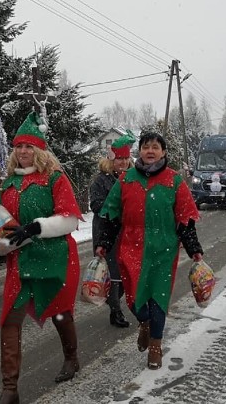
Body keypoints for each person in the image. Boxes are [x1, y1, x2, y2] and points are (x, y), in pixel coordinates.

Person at [95, 131, 203, 370]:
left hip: (164, 248)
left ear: (163, 152)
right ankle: (144, 322)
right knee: (134, 299)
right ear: (140, 151)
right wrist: (103, 243)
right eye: (146, 147)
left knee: (158, 298)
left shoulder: (174, 180)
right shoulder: (126, 180)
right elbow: (111, 216)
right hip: (131, 246)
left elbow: (185, 220)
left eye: (155, 147)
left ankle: (155, 344)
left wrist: (193, 248)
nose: (150, 151)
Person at [0, 113, 84, 403]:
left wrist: (36, 227)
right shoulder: (7, 184)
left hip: (54, 258)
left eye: (29, 147)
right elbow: (3, 225)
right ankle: (10, 389)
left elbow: (70, 221)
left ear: (40, 151)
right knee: (10, 320)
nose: (23, 152)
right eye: (19, 146)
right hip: (20, 263)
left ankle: (71, 358)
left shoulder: (55, 179)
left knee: (59, 313)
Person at [89, 131, 136, 328]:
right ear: (112, 159)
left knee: (126, 273)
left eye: (126, 158)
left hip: (128, 233)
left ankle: (112, 300)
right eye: (119, 158)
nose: (123, 162)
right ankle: (115, 311)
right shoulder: (101, 180)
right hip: (107, 231)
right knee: (114, 272)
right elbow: (97, 205)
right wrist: (117, 208)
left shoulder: (134, 177)